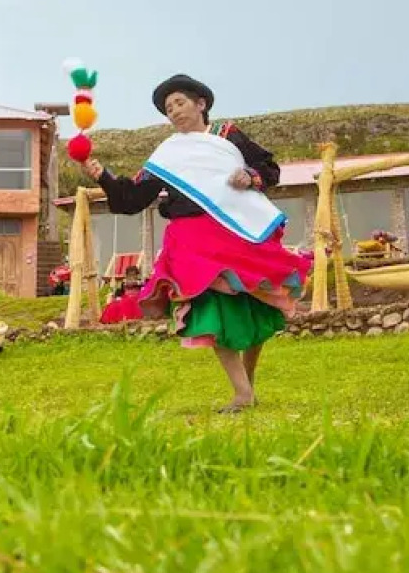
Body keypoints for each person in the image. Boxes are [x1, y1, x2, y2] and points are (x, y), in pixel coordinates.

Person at [80, 74, 311, 412]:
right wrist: (103, 176)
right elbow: (133, 197)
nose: (173, 111)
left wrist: (250, 177)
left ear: (201, 104)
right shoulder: (169, 154)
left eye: (179, 103)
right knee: (209, 312)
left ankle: (248, 385)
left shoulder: (227, 135)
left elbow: (268, 168)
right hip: (191, 242)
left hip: (236, 232)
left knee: (256, 307)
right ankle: (242, 393)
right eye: (168, 108)